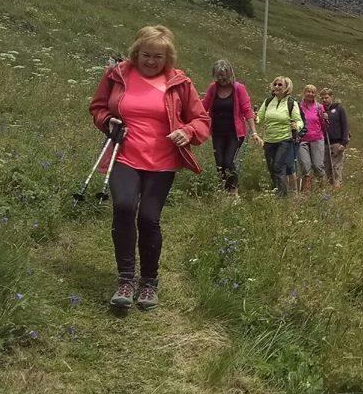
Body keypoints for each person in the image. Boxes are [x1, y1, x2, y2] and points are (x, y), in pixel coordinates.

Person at [90, 25, 210, 310]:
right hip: (124, 155)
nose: (151, 61)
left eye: (158, 56)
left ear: (167, 58)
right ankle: (126, 279)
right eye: (146, 55)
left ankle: (148, 283)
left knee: (148, 218)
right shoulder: (117, 74)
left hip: (162, 162)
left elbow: (201, 119)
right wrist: (108, 121)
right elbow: (97, 107)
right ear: (136, 52)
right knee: (123, 206)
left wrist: (188, 132)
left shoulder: (180, 83)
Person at [202, 59, 262, 196]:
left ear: (230, 74)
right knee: (220, 164)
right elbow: (203, 106)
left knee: (228, 162)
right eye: (218, 76)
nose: (221, 79)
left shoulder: (238, 88)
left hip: (235, 133)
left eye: (224, 75)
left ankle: (233, 192)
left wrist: (254, 132)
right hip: (217, 132)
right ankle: (225, 190)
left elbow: (247, 110)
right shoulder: (213, 88)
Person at [257, 76, 303, 197]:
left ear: (286, 87)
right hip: (269, 140)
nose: (276, 87)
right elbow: (260, 118)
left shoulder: (291, 103)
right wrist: (252, 118)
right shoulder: (268, 102)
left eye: (280, 85)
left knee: (278, 166)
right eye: (275, 84)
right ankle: (278, 190)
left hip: (284, 139)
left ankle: (282, 195)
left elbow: (299, 121)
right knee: (271, 167)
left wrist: (296, 126)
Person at [297, 84, 328, 195]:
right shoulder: (299, 106)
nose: (310, 94)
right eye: (308, 91)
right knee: (306, 166)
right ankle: (306, 192)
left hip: (317, 138)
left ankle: (322, 190)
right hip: (302, 139)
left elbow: (324, 125)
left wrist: (325, 118)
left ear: (315, 94)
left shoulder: (319, 107)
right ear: (304, 93)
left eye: (312, 92)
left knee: (318, 165)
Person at [321, 88, 349, 188]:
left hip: (337, 142)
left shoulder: (339, 108)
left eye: (326, 97)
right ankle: (330, 188)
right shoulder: (321, 109)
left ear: (331, 97)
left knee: (336, 167)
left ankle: (337, 187)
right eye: (323, 98)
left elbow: (345, 126)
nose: (324, 100)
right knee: (327, 168)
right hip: (325, 143)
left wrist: (344, 142)